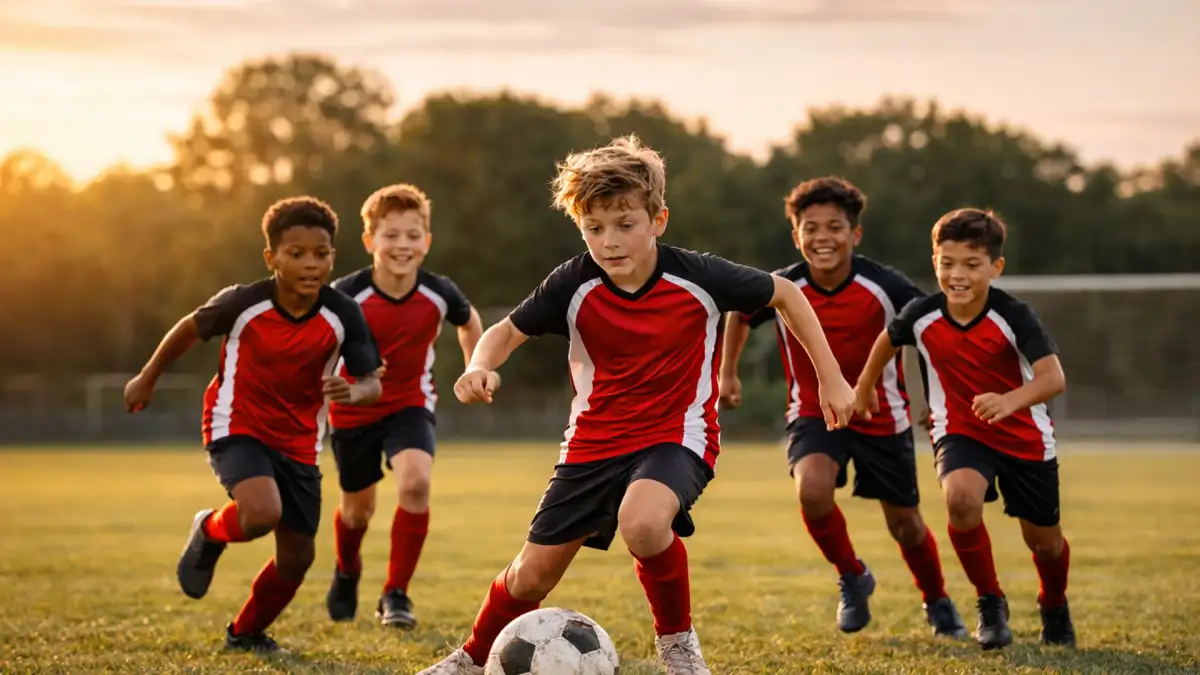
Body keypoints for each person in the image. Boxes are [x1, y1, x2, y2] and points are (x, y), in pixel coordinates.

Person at [417, 135, 858, 675]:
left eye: (626, 225)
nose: (610, 242)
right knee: (531, 576)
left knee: (643, 523)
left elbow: (787, 295)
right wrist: (478, 366)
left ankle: (678, 648)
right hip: (590, 445)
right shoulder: (572, 282)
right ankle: (470, 660)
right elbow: (504, 334)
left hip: (677, 435)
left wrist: (830, 379)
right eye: (594, 228)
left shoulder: (698, 276)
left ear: (658, 220)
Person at [123, 196, 384, 652]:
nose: (310, 264)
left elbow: (371, 385)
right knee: (262, 513)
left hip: (300, 442)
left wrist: (353, 392)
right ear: (272, 258)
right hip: (236, 423)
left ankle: (245, 634)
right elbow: (189, 327)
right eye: (296, 253)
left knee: (298, 557)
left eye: (321, 254)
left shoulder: (343, 313)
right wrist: (148, 377)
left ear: (333, 257)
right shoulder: (243, 302)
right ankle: (210, 531)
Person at [719, 177, 966, 638]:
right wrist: (727, 373)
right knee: (812, 490)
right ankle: (853, 575)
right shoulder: (785, 285)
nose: (821, 238)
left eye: (834, 227)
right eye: (809, 228)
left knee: (906, 525)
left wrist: (936, 396)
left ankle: (938, 601)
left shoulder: (885, 285)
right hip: (813, 413)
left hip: (881, 415)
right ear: (796, 236)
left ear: (855, 235)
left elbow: (930, 332)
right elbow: (738, 311)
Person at [855, 207, 1074, 650]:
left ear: (995, 267)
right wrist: (864, 388)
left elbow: (1054, 378)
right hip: (960, 431)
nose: (957, 275)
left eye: (972, 265)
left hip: (1025, 438)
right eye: (946, 263)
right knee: (960, 499)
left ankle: (1054, 603)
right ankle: (990, 604)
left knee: (1045, 543)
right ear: (934, 261)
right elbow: (887, 340)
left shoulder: (1014, 315)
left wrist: (1009, 401)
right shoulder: (921, 313)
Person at [324, 183, 483, 629]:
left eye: (413, 235)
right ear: (370, 241)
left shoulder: (439, 291)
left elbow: (469, 321)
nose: (402, 245)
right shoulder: (345, 295)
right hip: (352, 411)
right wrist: (331, 384)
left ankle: (396, 594)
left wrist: (474, 367)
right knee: (358, 510)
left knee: (415, 484)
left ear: (426, 242)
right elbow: (322, 348)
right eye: (391, 235)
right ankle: (347, 568)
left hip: (410, 403)